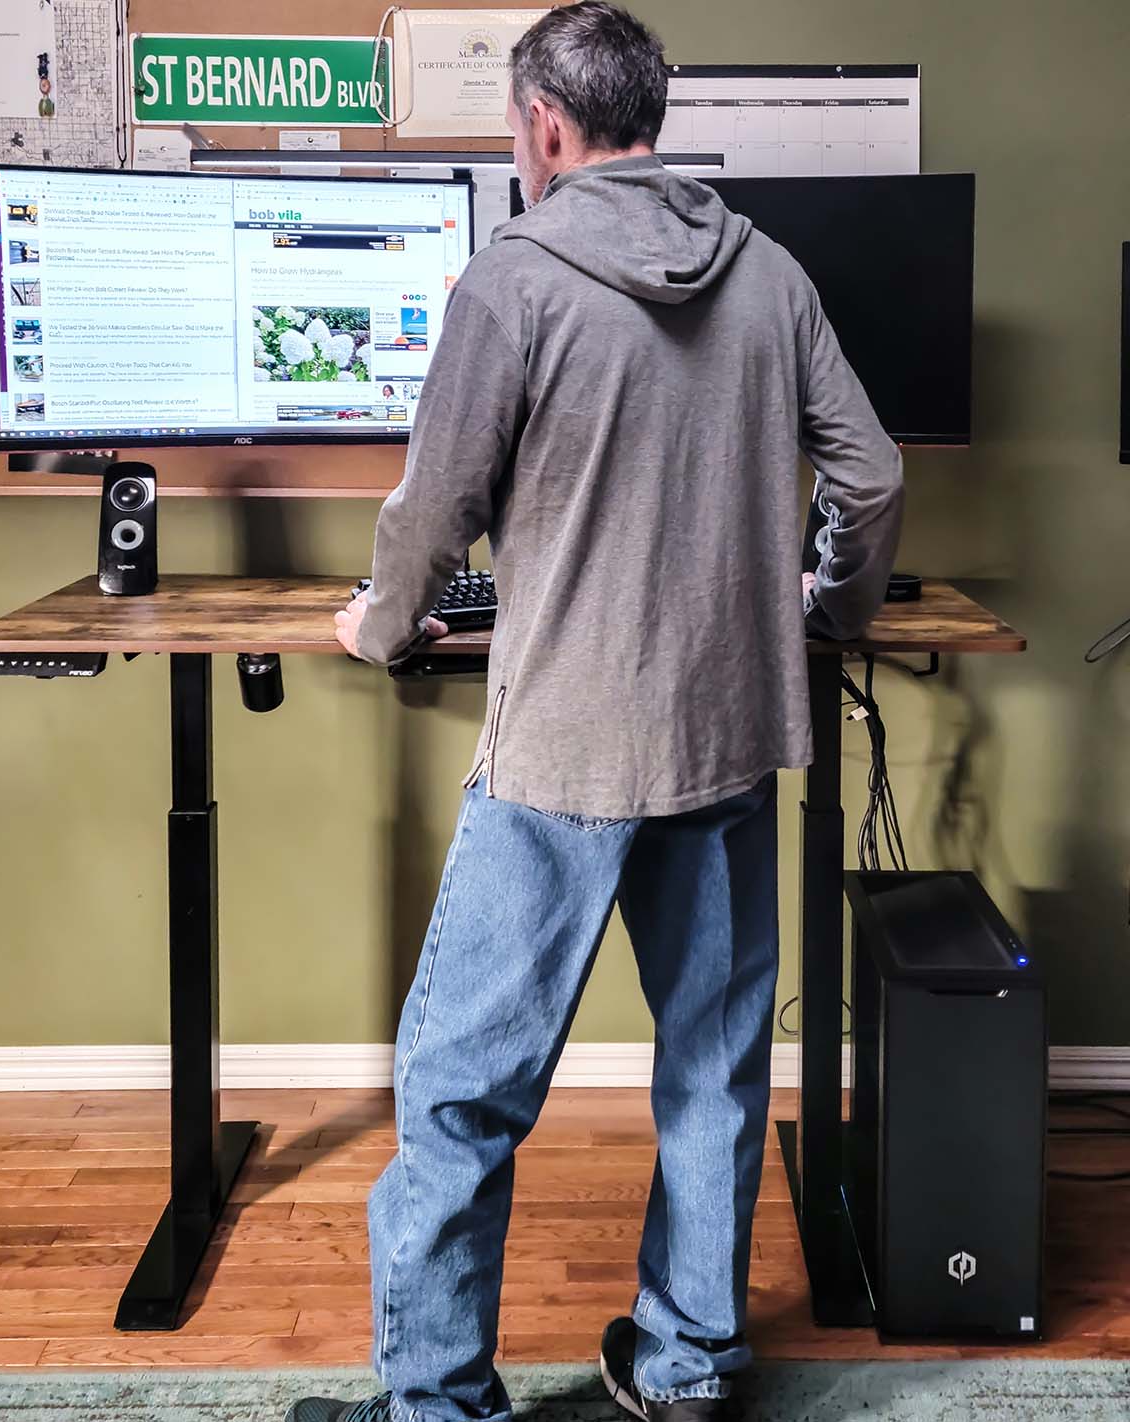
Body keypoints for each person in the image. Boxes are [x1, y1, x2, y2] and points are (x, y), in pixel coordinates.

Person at [292, 5, 902, 1422]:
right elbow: (868, 480)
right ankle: (687, 1364)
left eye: (516, 131)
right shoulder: (769, 275)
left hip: (563, 750)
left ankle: (438, 1398)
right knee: (712, 1066)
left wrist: (378, 629)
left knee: (462, 1091)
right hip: (727, 739)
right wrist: (833, 610)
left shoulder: (509, 282)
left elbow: (432, 515)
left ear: (546, 130)